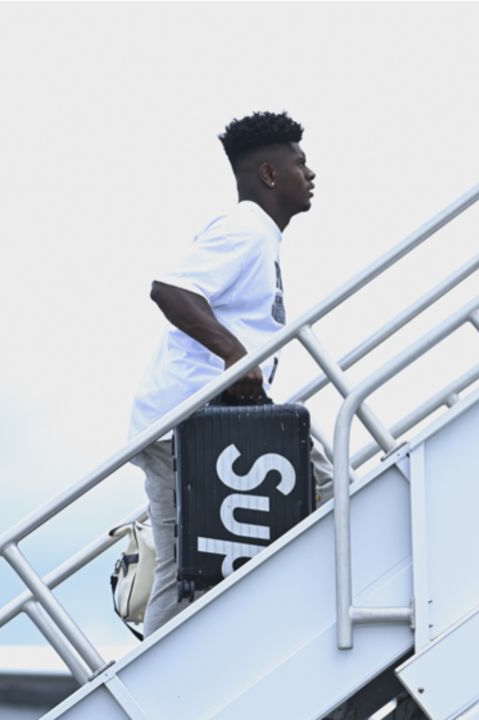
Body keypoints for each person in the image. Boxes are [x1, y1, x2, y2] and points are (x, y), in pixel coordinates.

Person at [129, 111, 332, 636]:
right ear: (269, 175)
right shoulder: (245, 229)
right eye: (300, 164)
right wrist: (236, 355)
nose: (311, 174)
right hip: (191, 421)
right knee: (332, 491)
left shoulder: (261, 237)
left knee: (182, 576)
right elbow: (170, 291)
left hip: (199, 419)